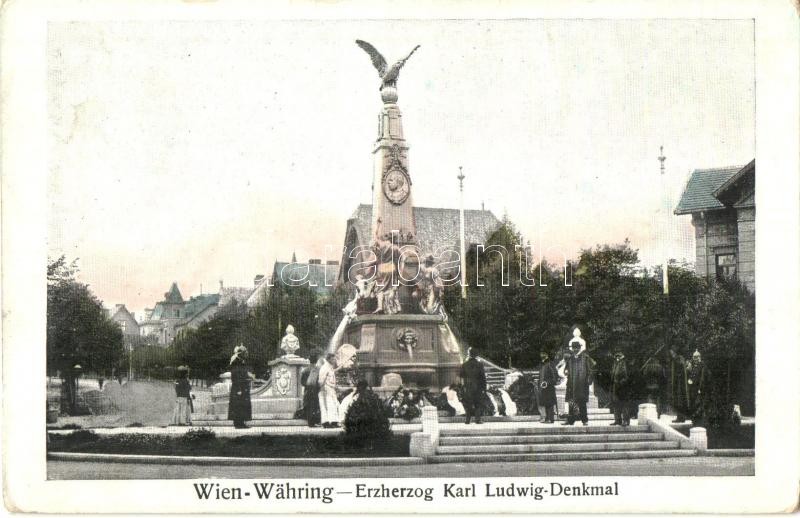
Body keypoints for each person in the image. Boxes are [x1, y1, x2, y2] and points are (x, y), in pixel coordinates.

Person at [565, 340, 594, 426]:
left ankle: (584, 420)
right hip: (571, 383)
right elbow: (566, 369)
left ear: (580, 348)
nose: (575, 350)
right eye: (574, 348)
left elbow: (591, 370)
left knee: (582, 402)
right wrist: (566, 371)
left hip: (582, 384)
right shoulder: (570, 359)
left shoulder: (585, 358)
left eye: (577, 348)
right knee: (571, 402)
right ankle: (570, 420)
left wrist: (589, 380)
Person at [459, 347, 487, 424]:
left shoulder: (464, 364)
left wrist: (463, 387)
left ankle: (467, 420)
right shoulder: (480, 364)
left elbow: (461, 375)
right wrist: (484, 388)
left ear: (469, 354)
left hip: (467, 387)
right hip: (478, 386)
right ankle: (477, 420)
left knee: (468, 403)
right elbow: (483, 377)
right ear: (476, 355)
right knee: (478, 403)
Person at [228, 345, 253, 429]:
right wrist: (238, 389)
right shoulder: (236, 362)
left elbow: (242, 373)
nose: (247, 354)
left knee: (242, 405)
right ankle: (238, 423)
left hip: (242, 386)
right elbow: (235, 376)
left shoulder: (241, 361)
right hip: (238, 387)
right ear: (241, 353)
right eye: (245, 352)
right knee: (239, 405)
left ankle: (241, 422)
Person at [534, 351, 558, 423]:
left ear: (547, 355)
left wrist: (547, 383)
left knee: (549, 403)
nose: (542, 355)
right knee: (545, 402)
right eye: (541, 353)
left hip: (549, 387)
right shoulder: (542, 364)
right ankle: (547, 418)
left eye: (544, 353)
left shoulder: (550, 364)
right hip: (543, 388)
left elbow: (555, 377)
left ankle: (550, 418)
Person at [318, 353, 341, 428]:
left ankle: (333, 422)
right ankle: (326, 423)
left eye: (334, 359)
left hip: (330, 389)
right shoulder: (324, 368)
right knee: (327, 406)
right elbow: (321, 380)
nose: (334, 360)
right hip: (325, 389)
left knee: (332, 405)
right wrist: (323, 389)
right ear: (329, 359)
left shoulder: (330, 367)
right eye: (333, 359)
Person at [300, 354, 323, 427]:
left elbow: (302, 382)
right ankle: (315, 422)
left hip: (307, 390)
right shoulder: (318, 369)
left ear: (309, 360)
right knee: (315, 406)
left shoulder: (305, 370)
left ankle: (310, 422)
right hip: (316, 390)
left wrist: (307, 385)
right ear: (316, 361)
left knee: (309, 406)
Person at [687, 349, 709, 422]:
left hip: (699, 387)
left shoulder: (702, 365)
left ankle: (700, 416)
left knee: (699, 402)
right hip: (693, 387)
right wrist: (690, 380)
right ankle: (695, 416)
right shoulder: (694, 366)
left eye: (696, 357)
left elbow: (702, 378)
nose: (695, 359)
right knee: (694, 401)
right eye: (694, 357)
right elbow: (692, 375)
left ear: (699, 357)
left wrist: (700, 387)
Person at [609, 349, 630, 426]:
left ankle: (626, 420)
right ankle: (617, 420)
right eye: (616, 355)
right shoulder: (615, 364)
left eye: (619, 355)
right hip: (615, 387)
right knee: (616, 403)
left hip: (623, 387)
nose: (617, 357)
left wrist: (620, 383)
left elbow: (626, 376)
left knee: (624, 404)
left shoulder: (624, 363)